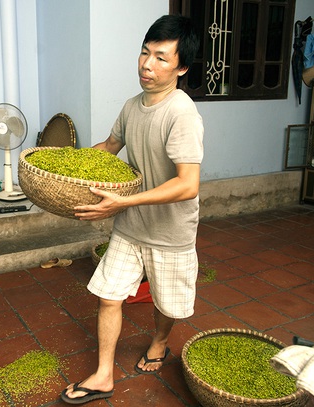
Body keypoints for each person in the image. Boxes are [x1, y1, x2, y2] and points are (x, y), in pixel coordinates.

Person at [62, 15, 203, 404]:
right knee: (109, 295)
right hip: (130, 224)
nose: (146, 64)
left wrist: (124, 201)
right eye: (145, 52)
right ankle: (104, 374)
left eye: (160, 57)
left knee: (166, 303)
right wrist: (63, 166)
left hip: (170, 230)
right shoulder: (131, 106)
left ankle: (159, 341)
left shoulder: (182, 113)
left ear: (182, 67)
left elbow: (188, 184)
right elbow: (109, 146)